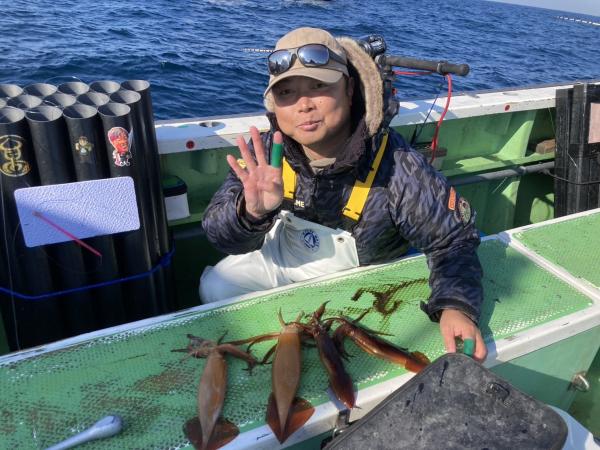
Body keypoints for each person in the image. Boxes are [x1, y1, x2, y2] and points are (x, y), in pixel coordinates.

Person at [201, 27, 487, 361]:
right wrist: (250, 214)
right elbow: (220, 235)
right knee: (215, 286)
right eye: (287, 93)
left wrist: (455, 306)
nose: (304, 105)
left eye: (319, 86)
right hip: (280, 259)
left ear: (349, 89)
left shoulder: (397, 165)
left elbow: (453, 240)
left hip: (357, 284)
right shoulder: (265, 152)